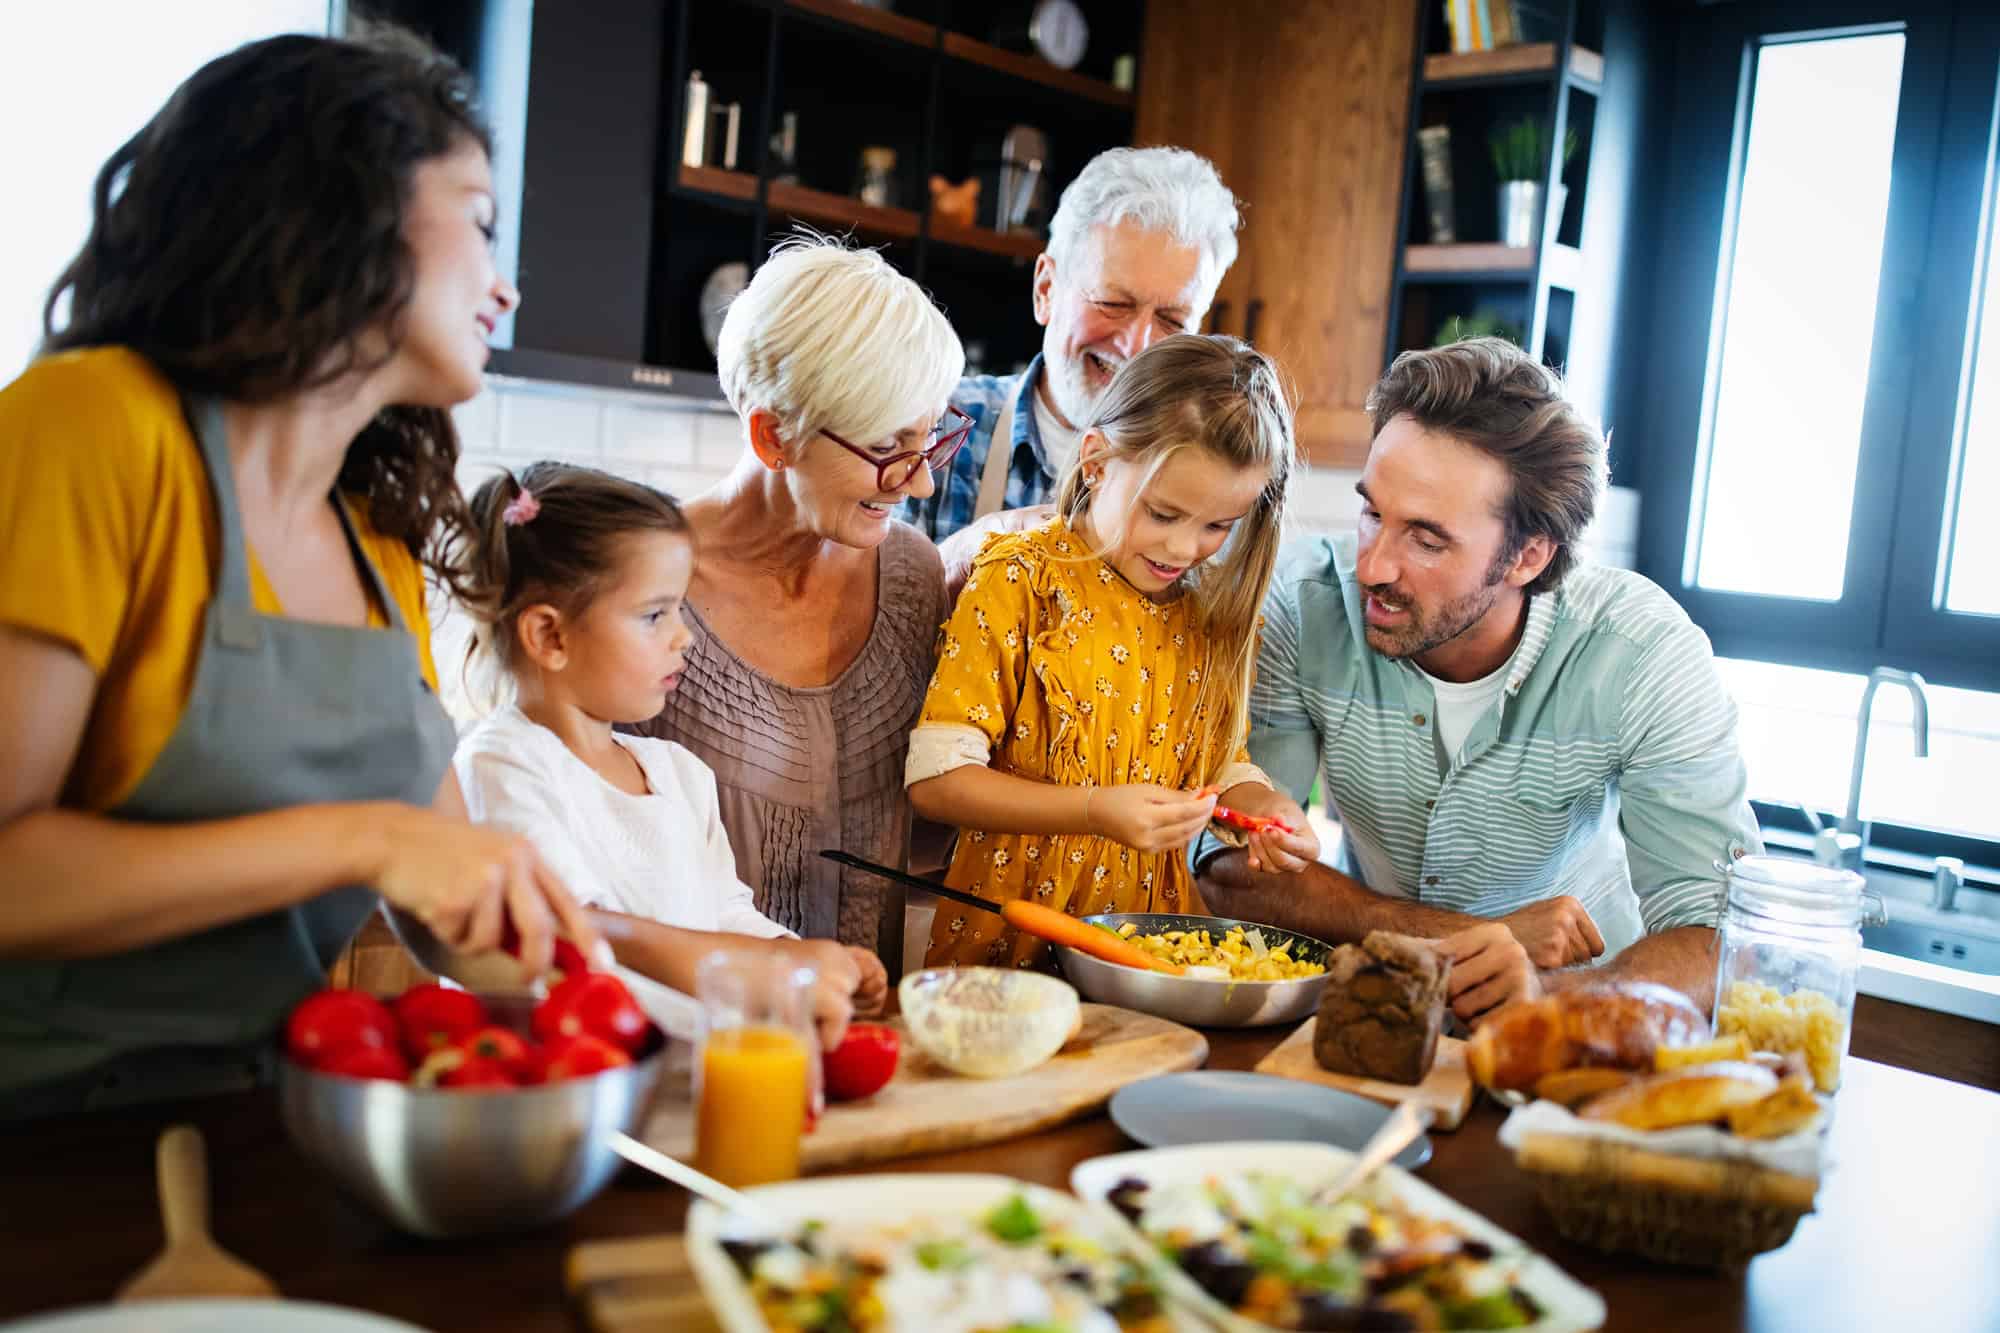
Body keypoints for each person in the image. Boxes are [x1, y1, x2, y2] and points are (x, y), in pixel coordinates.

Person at [0, 29, 601, 1113]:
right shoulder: (91, 423)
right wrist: (368, 840)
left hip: (259, 1122)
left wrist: (674, 973)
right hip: (40, 1144)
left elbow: (454, 902)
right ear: (342, 208)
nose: (506, 289)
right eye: (477, 221)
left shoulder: (372, 539)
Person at [1198, 337, 1762, 1020]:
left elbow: (1726, 941)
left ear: (1526, 555)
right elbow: (1232, 867)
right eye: (1373, 511)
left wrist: (1543, 994)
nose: (1372, 565)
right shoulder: (1301, 606)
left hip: (1577, 1030)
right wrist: (1459, 941)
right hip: (1375, 1013)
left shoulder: (1642, 655)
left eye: (1426, 539)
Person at [907, 334, 1319, 969]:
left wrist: (1259, 807)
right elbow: (937, 783)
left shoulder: (1207, 615)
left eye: (1217, 527)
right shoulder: (1020, 580)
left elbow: (1216, 768)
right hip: (1007, 948)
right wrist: (1095, 810)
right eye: (1163, 513)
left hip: (1147, 953)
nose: (1183, 549)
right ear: (1096, 461)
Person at [450, 462, 887, 1045]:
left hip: (682, 1077)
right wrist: (757, 972)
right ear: (550, 637)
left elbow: (724, 915)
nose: (683, 636)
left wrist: (800, 956)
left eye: (680, 608)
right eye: (655, 614)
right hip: (570, 1081)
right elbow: (570, 932)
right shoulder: (502, 764)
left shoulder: (677, 772)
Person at [626, 237, 961, 974]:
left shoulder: (911, 575)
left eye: (930, 437)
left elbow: (923, 823)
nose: (921, 483)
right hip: (695, 1038)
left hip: (872, 1042)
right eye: (887, 444)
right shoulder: (638, 586)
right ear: (774, 435)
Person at [900, 147, 1241, 582]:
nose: (1137, 346)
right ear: (1046, 289)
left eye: (1171, 320)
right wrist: (964, 555)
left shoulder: (1219, 486)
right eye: (1112, 303)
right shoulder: (935, 429)